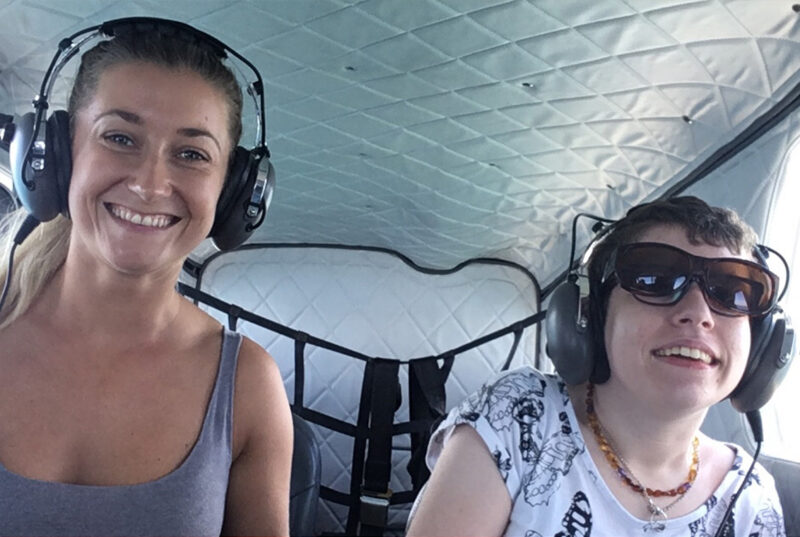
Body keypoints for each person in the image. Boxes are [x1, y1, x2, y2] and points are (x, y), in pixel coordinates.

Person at [0, 21, 292, 536]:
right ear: (57, 156)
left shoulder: (248, 386)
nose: (150, 184)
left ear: (233, 192)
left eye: (191, 154)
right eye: (120, 138)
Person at [406, 197, 786, 536]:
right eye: (654, 280)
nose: (697, 314)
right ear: (588, 315)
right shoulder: (519, 417)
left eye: (733, 293)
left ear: (761, 346)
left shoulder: (750, 497)